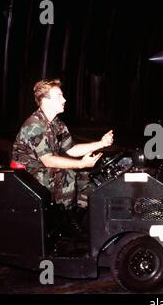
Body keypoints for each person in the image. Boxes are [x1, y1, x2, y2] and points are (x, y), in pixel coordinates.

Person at [11, 79, 114, 214]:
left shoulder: (57, 124)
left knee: (85, 174)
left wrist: (101, 143)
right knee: (67, 175)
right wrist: (81, 164)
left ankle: (83, 214)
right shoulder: (35, 125)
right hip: (28, 173)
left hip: (43, 168)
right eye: (59, 96)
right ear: (45, 100)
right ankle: (63, 217)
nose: (64, 99)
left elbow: (71, 149)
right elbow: (48, 160)